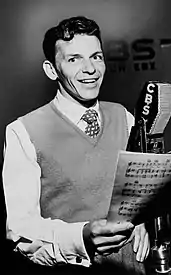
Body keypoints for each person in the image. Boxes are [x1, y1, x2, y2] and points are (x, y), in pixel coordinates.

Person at [2, 16, 150, 275]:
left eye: (97, 56)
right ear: (51, 70)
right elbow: (20, 233)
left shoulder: (124, 117)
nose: (90, 68)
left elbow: (139, 192)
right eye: (74, 59)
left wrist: (142, 222)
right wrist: (82, 237)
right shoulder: (22, 132)